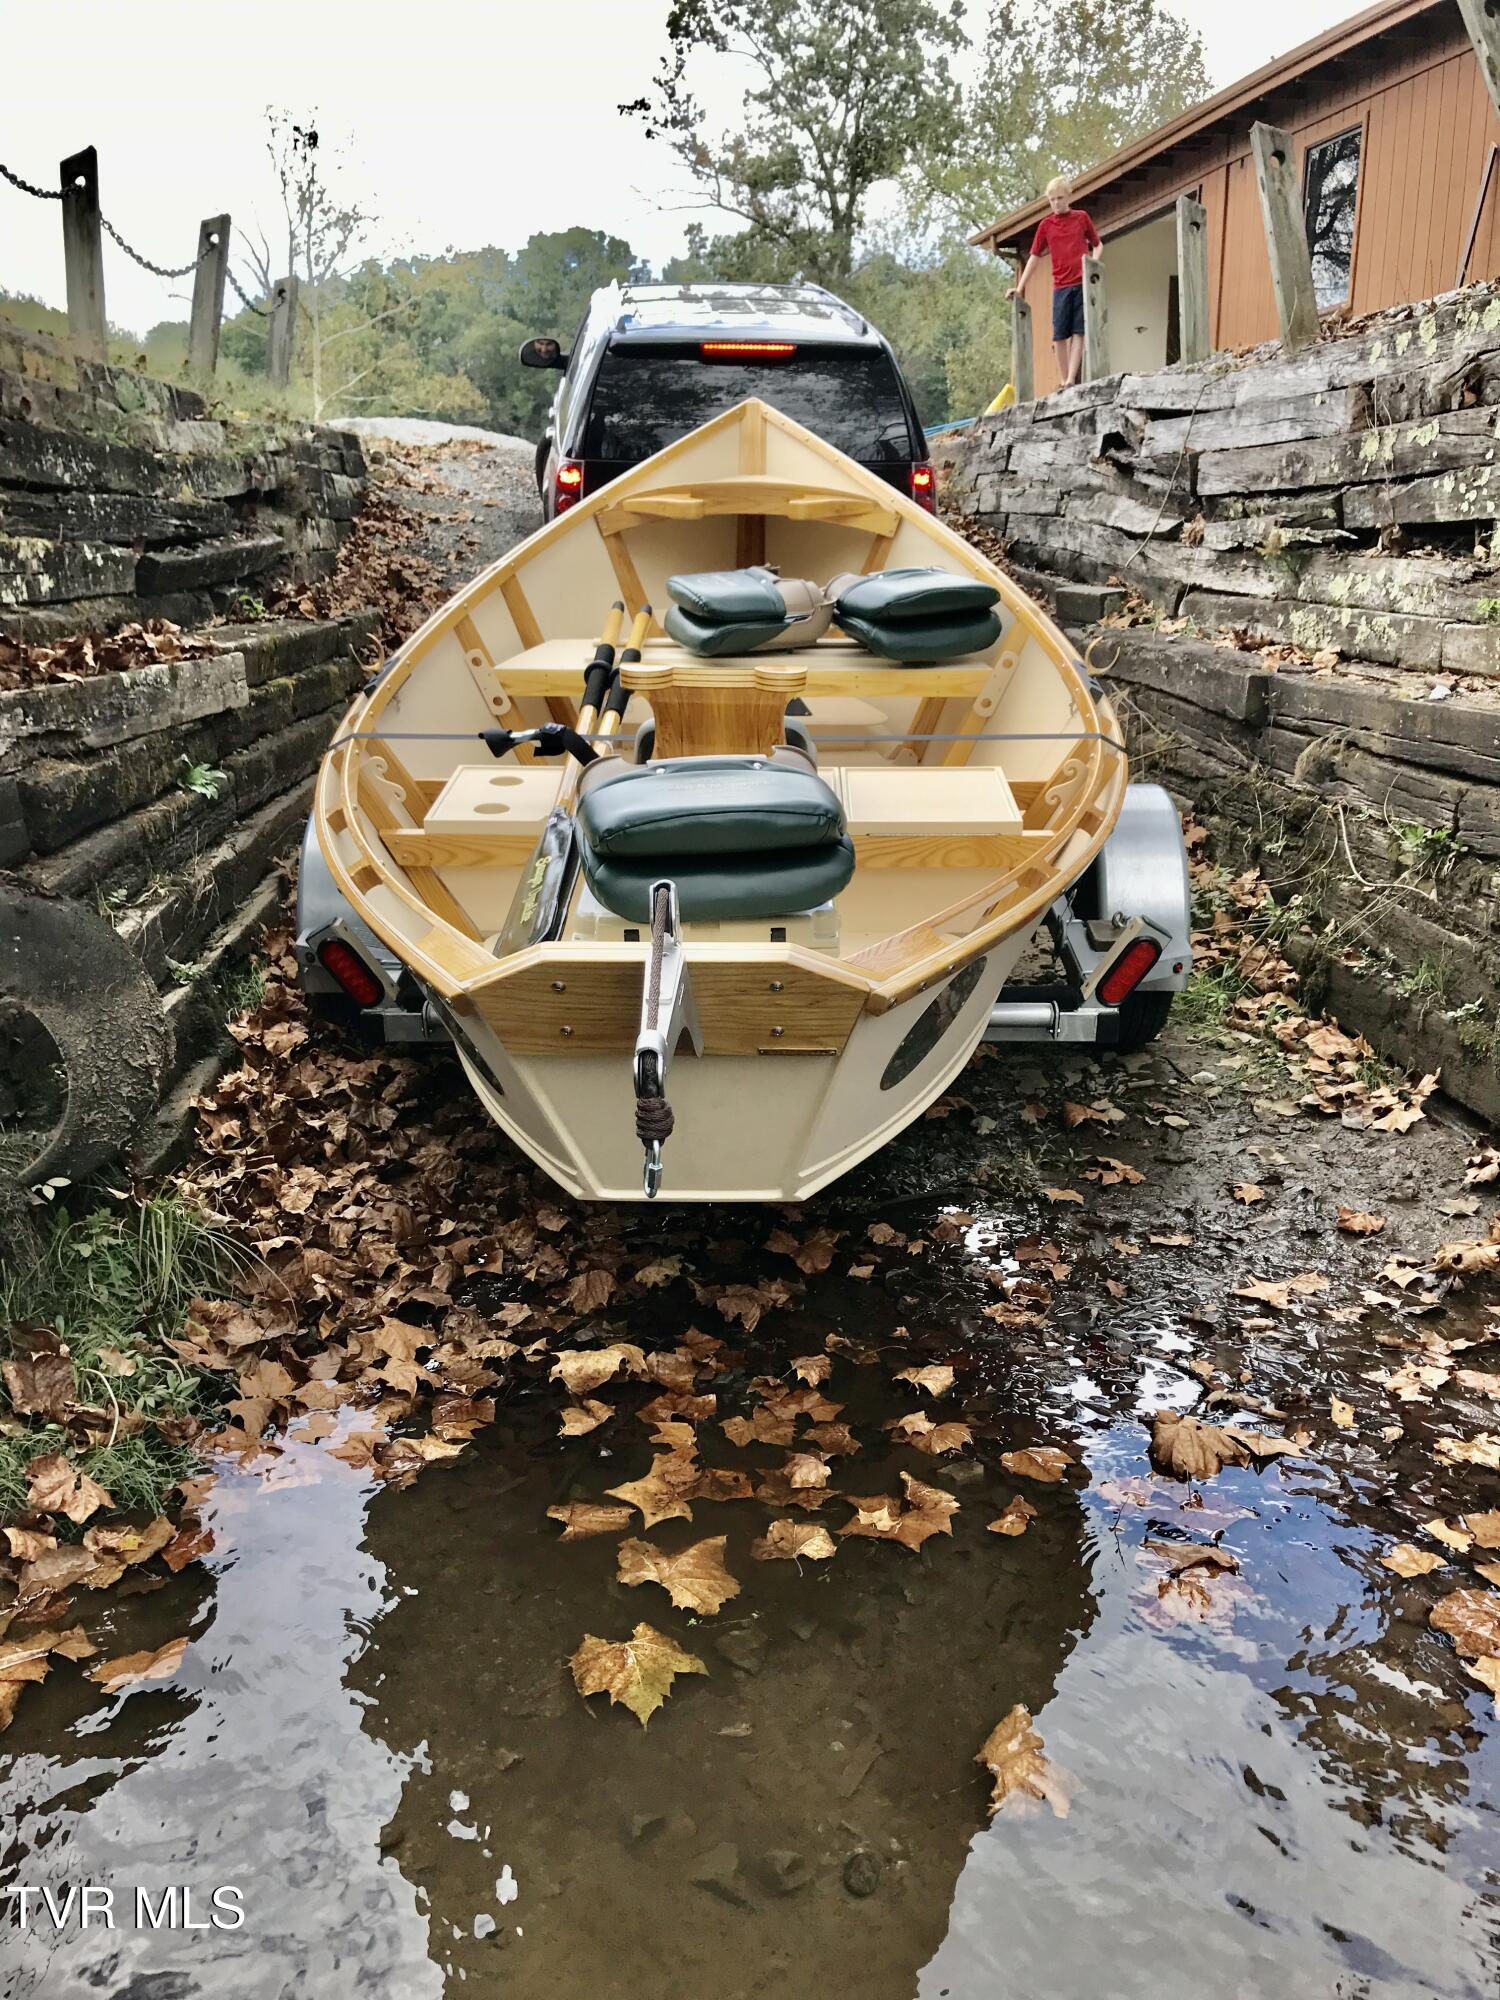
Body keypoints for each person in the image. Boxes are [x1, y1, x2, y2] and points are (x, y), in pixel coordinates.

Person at [1006, 176, 1102, 392]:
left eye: (1060, 198)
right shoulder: (1046, 225)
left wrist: (1092, 266)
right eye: (1052, 200)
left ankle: (1070, 380)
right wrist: (1020, 287)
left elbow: (1097, 244)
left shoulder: (1081, 218)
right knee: (1060, 334)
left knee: (1079, 332)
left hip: (1080, 282)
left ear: (1069, 196)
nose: (1056, 203)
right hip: (1060, 285)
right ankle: (1063, 376)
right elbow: (1034, 257)